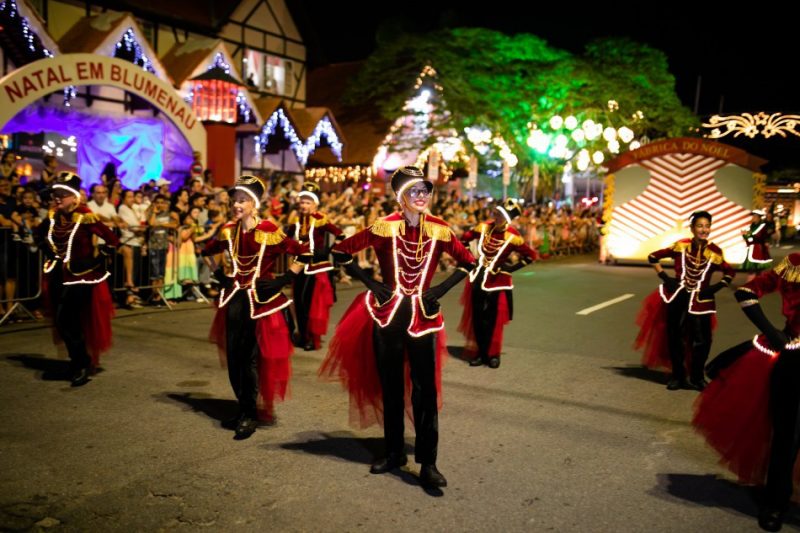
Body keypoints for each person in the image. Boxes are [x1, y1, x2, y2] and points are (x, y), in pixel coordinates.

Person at [319, 166, 476, 489]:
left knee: (425, 392)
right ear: (400, 196)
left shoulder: (440, 229)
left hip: (424, 318)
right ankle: (393, 452)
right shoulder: (383, 227)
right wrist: (372, 284)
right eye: (415, 191)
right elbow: (340, 252)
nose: (422, 197)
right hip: (387, 317)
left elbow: (469, 263)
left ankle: (428, 462)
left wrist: (439, 290)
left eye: (426, 191)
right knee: (390, 388)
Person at [693, 254, 800, 532]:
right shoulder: (794, 263)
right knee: (787, 435)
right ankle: (776, 501)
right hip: (795, 359)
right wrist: (771, 332)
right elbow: (747, 290)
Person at [203, 175, 308, 439]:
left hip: (261, 304)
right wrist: (220, 276)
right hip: (235, 300)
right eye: (234, 200)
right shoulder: (229, 230)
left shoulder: (270, 230)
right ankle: (243, 407)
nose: (237, 205)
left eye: (243, 200)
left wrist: (285, 279)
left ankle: (250, 413)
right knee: (234, 359)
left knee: (250, 360)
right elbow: (205, 251)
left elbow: (304, 253)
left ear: (254, 203)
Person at [634, 210, 735, 391]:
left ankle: (697, 377)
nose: (704, 230)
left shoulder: (715, 251)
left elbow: (729, 272)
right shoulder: (681, 246)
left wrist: (714, 288)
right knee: (675, 337)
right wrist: (666, 278)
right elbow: (653, 257)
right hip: (678, 296)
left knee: (703, 340)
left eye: (707, 226)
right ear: (692, 228)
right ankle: (677, 376)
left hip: (702, 301)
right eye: (700, 226)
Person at [37, 172, 119, 386]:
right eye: (55, 194)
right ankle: (78, 361)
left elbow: (111, 240)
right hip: (57, 275)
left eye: (63, 194)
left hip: (80, 277)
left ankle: (81, 363)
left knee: (69, 320)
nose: (57, 198)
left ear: (74, 197)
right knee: (62, 322)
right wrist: (49, 250)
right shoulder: (53, 216)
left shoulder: (85, 215)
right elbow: (40, 235)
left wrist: (99, 260)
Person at [458, 198, 537, 368]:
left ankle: (493, 354)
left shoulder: (512, 236)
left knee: (493, 320)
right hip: (478, 277)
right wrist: (469, 259)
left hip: (498, 282)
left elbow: (531, 256)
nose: (497, 216)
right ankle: (480, 352)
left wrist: (509, 269)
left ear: (507, 219)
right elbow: (464, 239)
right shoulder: (484, 227)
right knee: (478, 317)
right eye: (496, 213)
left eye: (501, 215)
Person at [285, 182, 343, 350]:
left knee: (311, 304)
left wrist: (327, 251)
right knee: (299, 302)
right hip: (299, 267)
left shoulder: (320, 220)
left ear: (315, 204)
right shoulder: (295, 222)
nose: (304, 205)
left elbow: (340, 234)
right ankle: (302, 335)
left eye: (308, 202)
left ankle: (311, 338)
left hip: (316, 269)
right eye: (302, 201)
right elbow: (285, 241)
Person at [741, 209, 772, 276]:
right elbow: (749, 239)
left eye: (754, 216)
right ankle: (752, 283)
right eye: (753, 216)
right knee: (751, 269)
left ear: (759, 217)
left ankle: (757, 283)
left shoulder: (762, 226)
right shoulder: (751, 226)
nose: (753, 218)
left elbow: (758, 237)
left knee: (758, 268)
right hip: (752, 249)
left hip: (759, 249)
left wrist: (748, 235)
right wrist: (744, 235)